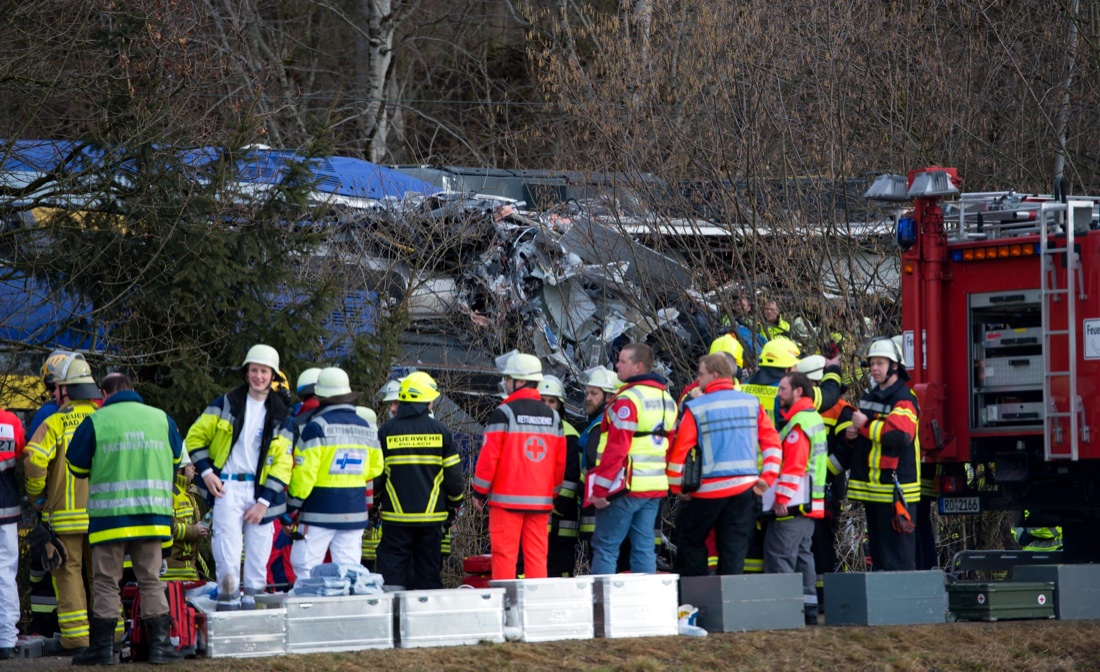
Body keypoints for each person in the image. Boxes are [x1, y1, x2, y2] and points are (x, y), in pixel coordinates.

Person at [65, 373, 183, 665]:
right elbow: (177, 460)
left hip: (109, 519)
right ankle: (160, 647)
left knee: (106, 582)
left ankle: (102, 650)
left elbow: (75, 466)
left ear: (104, 394)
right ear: (133, 388)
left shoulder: (96, 421)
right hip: (151, 517)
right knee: (151, 579)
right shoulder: (161, 419)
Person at [185, 344, 293, 610]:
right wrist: (208, 473)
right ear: (247, 373)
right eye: (254, 370)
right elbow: (194, 437)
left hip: (261, 493)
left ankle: (255, 611)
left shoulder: (280, 414)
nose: (258, 376)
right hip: (228, 486)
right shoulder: (226, 403)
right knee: (226, 553)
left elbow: (283, 463)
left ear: (272, 375)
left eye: (264, 371)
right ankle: (228, 608)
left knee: (258, 557)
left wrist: (265, 501)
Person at [667, 353, 779, 577]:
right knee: (734, 549)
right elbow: (772, 442)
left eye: (701, 374)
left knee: (691, 539)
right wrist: (767, 478)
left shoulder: (696, 407)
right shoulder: (751, 403)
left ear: (714, 375)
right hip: (745, 490)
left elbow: (679, 453)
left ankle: (699, 597)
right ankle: (730, 603)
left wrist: (678, 489)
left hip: (707, 491)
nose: (697, 380)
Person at [22, 352, 100, 653]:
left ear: (67, 388)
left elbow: (33, 460)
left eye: (54, 388)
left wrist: (37, 496)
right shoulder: (103, 420)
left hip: (66, 520)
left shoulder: (55, 423)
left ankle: (77, 640)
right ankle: (114, 635)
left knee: (68, 579)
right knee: (104, 578)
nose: (52, 394)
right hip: (102, 518)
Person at [472, 351, 565, 580]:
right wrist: (552, 494)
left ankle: (506, 608)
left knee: (504, 557)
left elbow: (489, 457)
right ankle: (534, 608)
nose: (505, 383)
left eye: (508, 378)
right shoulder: (553, 418)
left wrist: (479, 491)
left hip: (506, 501)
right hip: (540, 503)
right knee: (536, 558)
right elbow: (559, 463)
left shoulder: (503, 413)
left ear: (520, 381)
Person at [587, 343, 676, 575]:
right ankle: (644, 604)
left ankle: (602, 606)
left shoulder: (628, 399)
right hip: (655, 486)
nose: (617, 364)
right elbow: (671, 446)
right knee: (645, 548)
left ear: (638, 366)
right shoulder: (667, 399)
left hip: (624, 486)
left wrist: (600, 489)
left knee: (606, 546)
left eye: (622, 361)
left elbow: (617, 448)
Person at [287, 367, 384, 580]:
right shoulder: (367, 428)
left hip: (318, 511)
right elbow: (376, 468)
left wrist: (291, 506)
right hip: (355, 511)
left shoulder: (315, 427)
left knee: (305, 569)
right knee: (348, 573)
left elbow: (305, 475)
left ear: (320, 396)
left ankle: (308, 611)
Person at [373, 371, 461, 589]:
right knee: (428, 575)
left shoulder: (385, 432)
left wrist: (373, 504)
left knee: (392, 576)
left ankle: (393, 620)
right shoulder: (441, 432)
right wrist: (455, 504)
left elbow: (376, 476)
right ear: (426, 401)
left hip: (395, 519)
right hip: (431, 520)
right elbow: (454, 479)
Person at [843, 337, 920, 571]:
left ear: (894, 366)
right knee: (881, 557)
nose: (874, 368)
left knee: (898, 557)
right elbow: (869, 441)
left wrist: (865, 426)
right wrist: (852, 435)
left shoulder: (903, 399)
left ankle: (903, 604)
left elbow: (900, 436)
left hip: (897, 490)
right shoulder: (872, 396)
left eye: (880, 363)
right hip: (875, 490)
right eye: (872, 363)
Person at [762, 372, 827, 625]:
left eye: (783, 389)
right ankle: (808, 611)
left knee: (779, 555)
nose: (778, 394)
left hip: (793, 504)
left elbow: (794, 467)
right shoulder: (813, 418)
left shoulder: (798, 423)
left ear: (798, 391)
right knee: (803, 557)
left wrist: (781, 499)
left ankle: (784, 614)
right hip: (809, 505)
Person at [798, 356, 853, 612]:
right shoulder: (802, 407)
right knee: (804, 544)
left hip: (827, 489)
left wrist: (823, 476)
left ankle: (823, 599)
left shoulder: (843, 410)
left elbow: (846, 454)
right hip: (802, 486)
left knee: (822, 543)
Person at [537, 375, 582, 577]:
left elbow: (571, 478)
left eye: (552, 401)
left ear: (560, 405)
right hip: (535, 517)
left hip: (562, 522)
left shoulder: (569, 434)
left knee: (561, 574)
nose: (547, 406)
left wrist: (556, 508)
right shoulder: (528, 431)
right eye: (542, 400)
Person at [578, 366, 621, 545]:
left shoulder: (601, 426)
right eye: (588, 393)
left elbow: (593, 467)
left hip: (597, 506)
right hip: (595, 505)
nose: (588, 398)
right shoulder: (599, 423)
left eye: (594, 394)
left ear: (609, 397)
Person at [0, 403, 26, 660]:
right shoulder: (11, 422)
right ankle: (6, 640)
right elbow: (21, 455)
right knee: (6, 573)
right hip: (6, 506)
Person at [164, 449, 208, 582]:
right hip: (172, 574)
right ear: (179, 470)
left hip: (190, 571)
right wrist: (195, 530)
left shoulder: (189, 493)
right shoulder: (168, 493)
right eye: (190, 465)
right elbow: (166, 528)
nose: (194, 467)